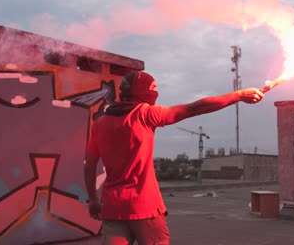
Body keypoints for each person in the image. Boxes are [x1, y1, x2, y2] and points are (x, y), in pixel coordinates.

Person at [84, 71, 264, 245]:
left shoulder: (99, 124)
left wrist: (93, 200)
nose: (155, 93)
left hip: (112, 208)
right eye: (153, 88)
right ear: (140, 91)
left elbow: (89, 165)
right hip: (145, 208)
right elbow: (196, 108)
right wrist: (239, 95)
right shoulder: (146, 114)